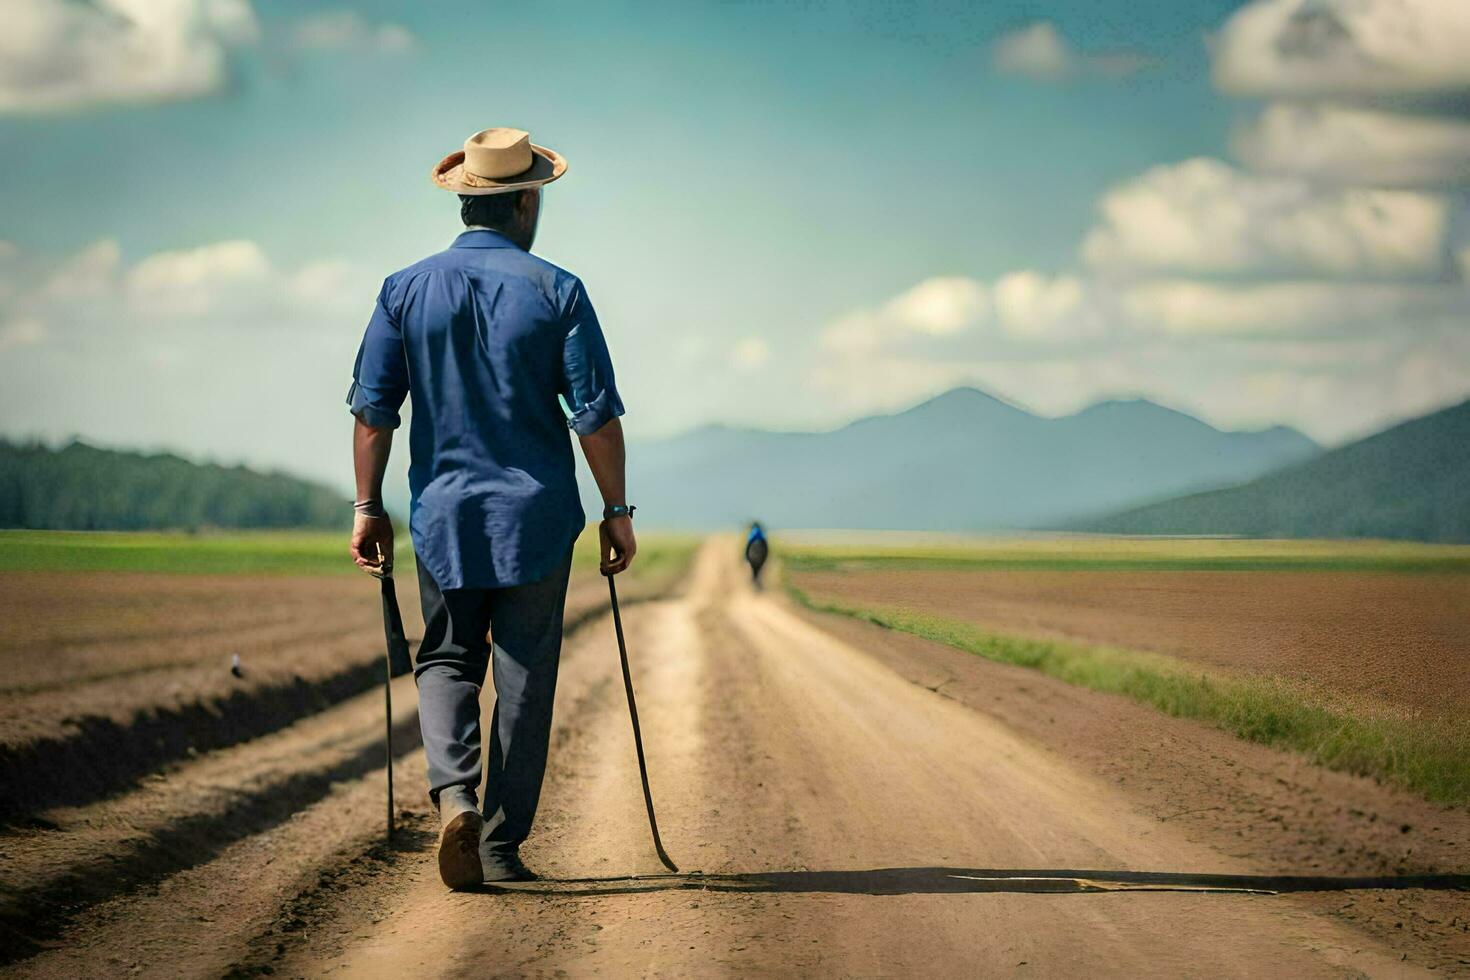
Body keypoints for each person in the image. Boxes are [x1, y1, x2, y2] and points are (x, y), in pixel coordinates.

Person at [346, 127, 636, 889]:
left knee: (444, 659)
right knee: (525, 678)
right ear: (527, 201)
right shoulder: (559, 290)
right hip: (537, 520)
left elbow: (375, 412)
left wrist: (367, 505)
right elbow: (596, 418)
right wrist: (617, 509)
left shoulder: (404, 289)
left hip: (444, 518)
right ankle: (502, 848)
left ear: (468, 199)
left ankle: (454, 799)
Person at [745, 521, 768, 587]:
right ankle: (757, 584)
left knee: (754, 571)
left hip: (752, 556)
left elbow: (748, 546)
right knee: (758, 571)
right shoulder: (762, 536)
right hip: (761, 557)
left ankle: (754, 584)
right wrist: (765, 557)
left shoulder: (752, 535)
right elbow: (766, 548)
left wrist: (746, 557)